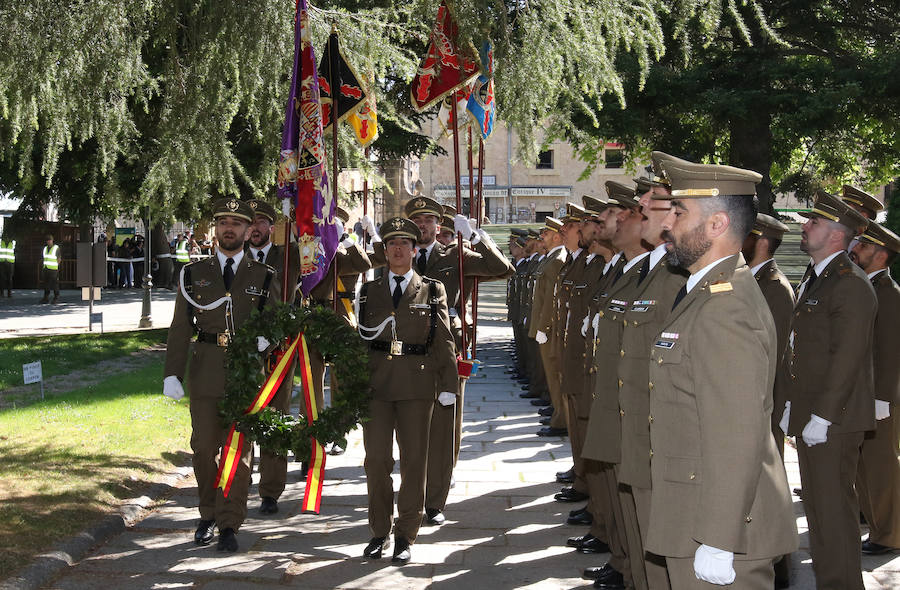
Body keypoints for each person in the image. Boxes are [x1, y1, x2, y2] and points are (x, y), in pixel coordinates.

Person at [647, 155, 797, 588]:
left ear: (716, 224)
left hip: (716, 529)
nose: (666, 224)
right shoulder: (704, 294)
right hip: (692, 514)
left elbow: (736, 433)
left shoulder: (724, 308)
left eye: (679, 213)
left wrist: (718, 538)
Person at [361, 196, 513, 526]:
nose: (424, 225)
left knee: (443, 428)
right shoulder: (400, 250)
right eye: (418, 220)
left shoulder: (456, 254)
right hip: (399, 355)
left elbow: (502, 268)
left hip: (445, 346)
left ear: (438, 225)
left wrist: (476, 237)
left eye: (429, 220)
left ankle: (434, 500)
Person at [163, 198, 279, 553]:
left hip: (245, 373)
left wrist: (267, 338)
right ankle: (208, 512)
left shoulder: (264, 275)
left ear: (248, 230)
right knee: (202, 449)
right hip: (206, 370)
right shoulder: (193, 273)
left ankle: (229, 522)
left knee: (238, 453)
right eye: (223, 222)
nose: (229, 228)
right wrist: (172, 373)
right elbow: (180, 327)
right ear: (216, 228)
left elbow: (275, 319)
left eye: (237, 223)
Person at [778, 190, 875, 590]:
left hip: (834, 419)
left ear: (837, 234)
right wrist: (791, 402)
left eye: (814, 221)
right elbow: (801, 347)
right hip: (812, 411)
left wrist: (823, 416)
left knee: (833, 512)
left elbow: (847, 358)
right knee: (819, 511)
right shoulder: (819, 276)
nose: (804, 226)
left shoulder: (850, 283)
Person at [357, 216, 457, 565]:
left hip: (417, 384)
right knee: (376, 461)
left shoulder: (432, 290)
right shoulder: (369, 290)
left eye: (404, 244)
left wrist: (449, 384)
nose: (397, 249)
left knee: (414, 462)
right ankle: (378, 531)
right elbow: (360, 341)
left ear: (415, 250)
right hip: (377, 385)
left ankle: (405, 534)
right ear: (384, 250)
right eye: (391, 244)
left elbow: (444, 338)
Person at [579, 181, 649, 588]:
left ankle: (627, 565)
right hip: (611, 394)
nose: (612, 221)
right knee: (618, 492)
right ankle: (622, 559)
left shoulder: (653, 274)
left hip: (635, 406)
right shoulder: (629, 269)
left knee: (634, 500)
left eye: (624, 214)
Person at [740, 211, 794, 588]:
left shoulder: (774, 287)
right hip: (752, 399)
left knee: (768, 488)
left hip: (765, 401)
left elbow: (770, 356)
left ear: (760, 241)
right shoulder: (750, 280)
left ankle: (778, 568)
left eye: (745, 235)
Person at [244, 198, 302, 516]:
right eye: (250, 223)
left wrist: (297, 216)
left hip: (278, 346)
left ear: (271, 227)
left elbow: (316, 252)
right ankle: (238, 481)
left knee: (275, 416)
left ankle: (270, 490)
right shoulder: (235, 257)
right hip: (242, 347)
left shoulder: (288, 256)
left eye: (261, 222)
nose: (255, 228)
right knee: (242, 413)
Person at [851, 222, 900, 556]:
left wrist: (882, 398)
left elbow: (891, 350)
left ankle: (890, 534)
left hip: (881, 397)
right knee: (865, 467)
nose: (855, 249)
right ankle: (878, 526)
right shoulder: (868, 286)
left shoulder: (888, 292)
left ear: (881, 255)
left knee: (881, 468)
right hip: (864, 394)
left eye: (864, 246)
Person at [40, 234, 61, 304]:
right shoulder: (45, 248)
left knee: (55, 284)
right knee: (46, 284)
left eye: (50, 240)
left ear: (52, 240)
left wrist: (57, 267)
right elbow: (44, 258)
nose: (49, 241)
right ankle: (46, 298)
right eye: (47, 240)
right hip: (46, 268)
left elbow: (59, 259)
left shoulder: (56, 248)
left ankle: (56, 297)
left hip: (53, 269)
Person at [0, 231, 16, 297]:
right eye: (5, 236)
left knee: (10, 278)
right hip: (2, 262)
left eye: (8, 236)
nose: (7, 237)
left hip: (10, 263)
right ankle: (2, 293)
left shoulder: (13, 242)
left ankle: (9, 293)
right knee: (2, 278)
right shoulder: (0, 242)